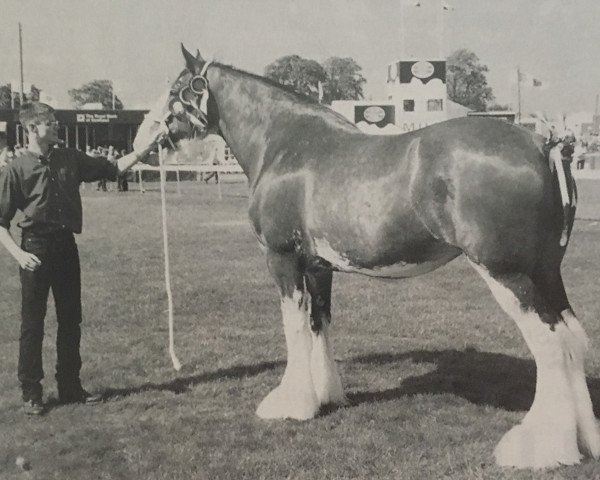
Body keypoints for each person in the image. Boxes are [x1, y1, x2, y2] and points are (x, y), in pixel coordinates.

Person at [0, 102, 165, 415]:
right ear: (33, 129)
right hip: (33, 248)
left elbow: (113, 169)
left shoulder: (70, 158)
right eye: (50, 122)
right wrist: (19, 255)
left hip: (65, 247)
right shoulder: (16, 169)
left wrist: (146, 149)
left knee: (70, 320)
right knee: (32, 324)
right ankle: (31, 393)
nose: (57, 126)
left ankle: (70, 387)